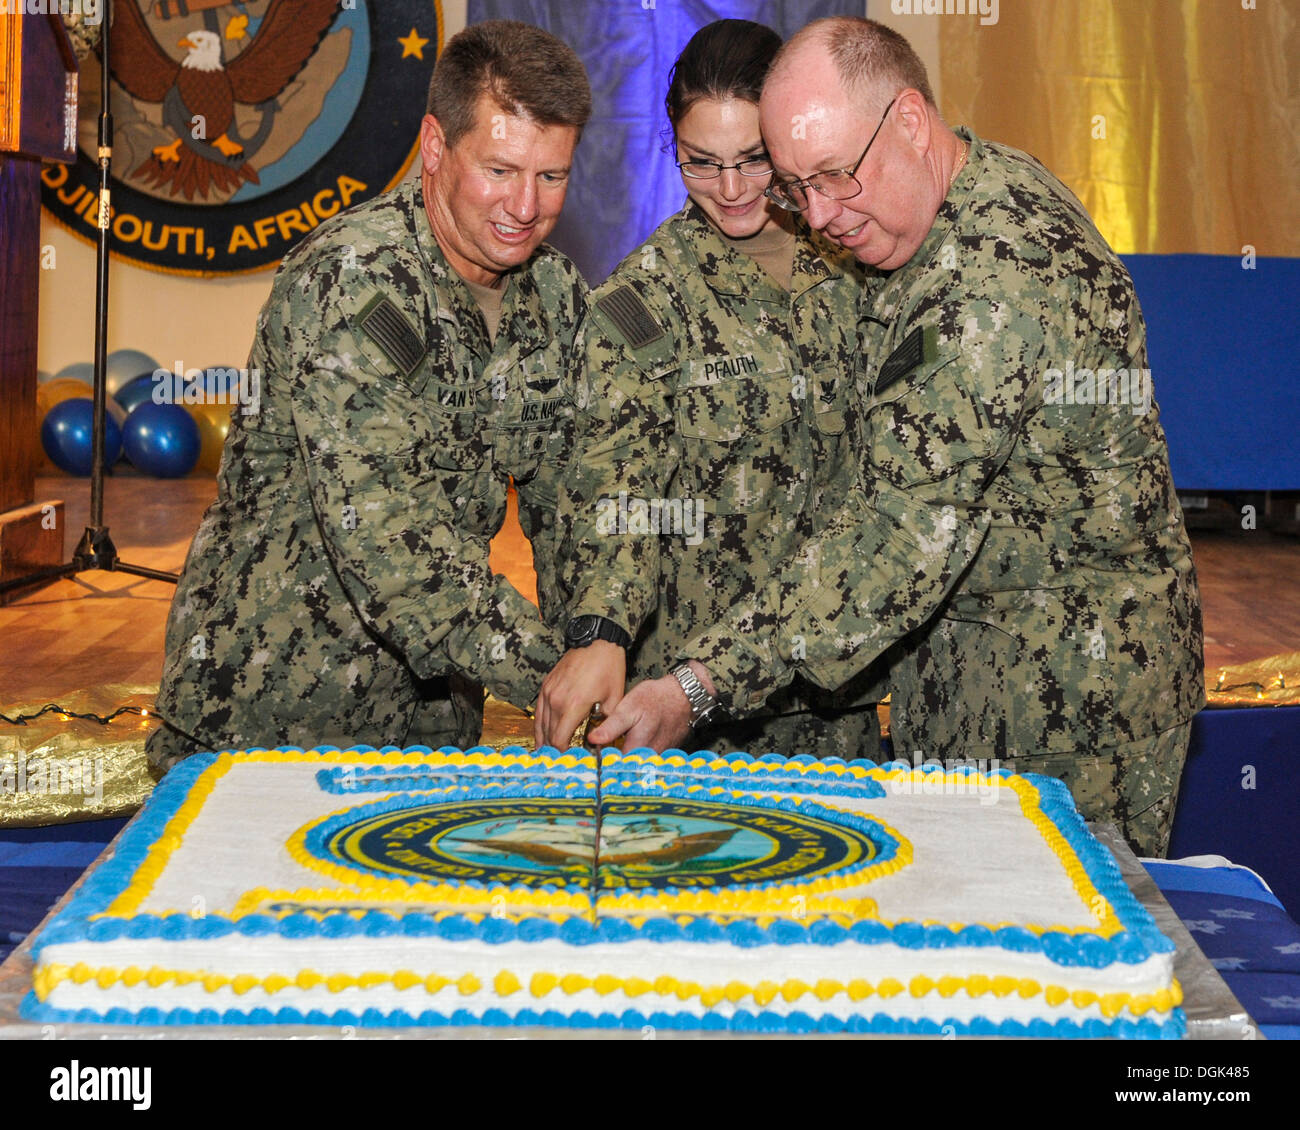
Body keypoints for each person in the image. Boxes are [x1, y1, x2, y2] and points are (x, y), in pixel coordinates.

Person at [589, 17, 1204, 858]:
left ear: (911, 123)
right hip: (977, 685)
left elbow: (894, 543)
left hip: (1064, 711)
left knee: (1043, 973)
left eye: (837, 178)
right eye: (797, 186)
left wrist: (696, 687)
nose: (820, 215)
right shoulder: (962, 190)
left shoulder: (994, 283)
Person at [146, 21, 592, 772]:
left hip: (429, 726)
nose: (526, 205)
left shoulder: (553, 295)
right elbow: (395, 550)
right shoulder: (354, 280)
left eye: (552, 177)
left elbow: (575, 501)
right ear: (434, 147)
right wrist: (562, 677)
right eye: (501, 170)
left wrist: (600, 639)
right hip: (267, 723)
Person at [534, 19, 884, 757]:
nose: (730, 190)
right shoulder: (644, 302)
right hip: (695, 713)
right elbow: (616, 489)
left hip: (838, 693)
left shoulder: (859, 262)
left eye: (755, 160)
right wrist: (602, 630)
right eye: (700, 162)